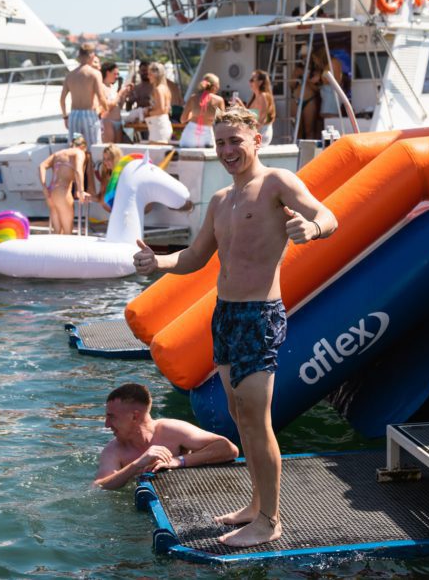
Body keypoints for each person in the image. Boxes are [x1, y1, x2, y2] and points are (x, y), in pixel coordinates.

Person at [133, 107, 338, 547]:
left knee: (258, 419)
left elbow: (328, 215)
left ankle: (270, 519)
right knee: (239, 415)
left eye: (235, 141)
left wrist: (313, 226)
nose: (227, 150)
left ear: (256, 140)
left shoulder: (276, 184)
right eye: (220, 142)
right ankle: (254, 502)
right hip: (225, 315)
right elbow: (193, 258)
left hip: (259, 316)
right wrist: (158, 262)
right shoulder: (222, 201)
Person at [94, 382, 239, 490]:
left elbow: (229, 449)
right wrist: (137, 464)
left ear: (134, 416)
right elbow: (98, 487)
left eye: (111, 417)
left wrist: (178, 461)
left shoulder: (171, 430)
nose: (106, 424)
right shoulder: (113, 450)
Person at [38, 134, 90, 235]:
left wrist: (44, 186)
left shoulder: (58, 153)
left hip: (50, 192)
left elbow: (42, 165)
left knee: (57, 232)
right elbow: (78, 170)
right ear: (83, 147)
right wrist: (81, 191)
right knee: (67, 233)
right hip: (62, 192)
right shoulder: (79, 153)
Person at [60, 43, 108, 149]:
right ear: (91, 55)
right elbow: (101, 97)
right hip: (89, 115)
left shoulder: (70, 75)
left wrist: (65, 117)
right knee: (93, 148)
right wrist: (106, 110)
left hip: (74, 116)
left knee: (76, 149)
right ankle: (91, 166)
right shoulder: (94, 74)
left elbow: (62, 100)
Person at [179, 73, 226, 148]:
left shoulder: (193, 98)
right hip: (207, 135)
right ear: (215, 86)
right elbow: (223, 122)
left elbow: (182, 119)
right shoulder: (219, 100)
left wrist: (194, 115)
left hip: (190, 133)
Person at [233, 70, 276, 147]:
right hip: (256, 131)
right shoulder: (255, 96)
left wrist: (248, 134)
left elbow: (262, 120)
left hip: (262, 133)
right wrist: (240, 105)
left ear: (260, 82)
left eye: (252, 80)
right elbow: (250, 114)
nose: (250, 82)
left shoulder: (263, 96)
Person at [100, 61, 130, 143]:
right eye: (115, 74)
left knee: (118, 149)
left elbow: (118, 106)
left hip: (118, 121)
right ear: (107, 72)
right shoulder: (102, 87)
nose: (116, 76)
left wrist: (124, 95)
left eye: (117, 74)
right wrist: (120, 93)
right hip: (108, 122)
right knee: (109, 147)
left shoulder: (112, 87)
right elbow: (108, 106)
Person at [144, 62, 173, 144]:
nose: (148, 76)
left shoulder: (158, 89)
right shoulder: (165, 88)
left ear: (156, 75)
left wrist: (148, 113)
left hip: (159, 127)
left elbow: (161, 110)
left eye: (150, 74)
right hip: (161, 125)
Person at [94, 143, 122, 212]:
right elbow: (100, 197)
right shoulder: (106, 174)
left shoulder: (123, 173)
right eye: (104, 159)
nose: (105, 162)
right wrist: (89, 198)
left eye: (109, 159)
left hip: (124, 205)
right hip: (115, 209)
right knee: (103, 198)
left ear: (116, 158)